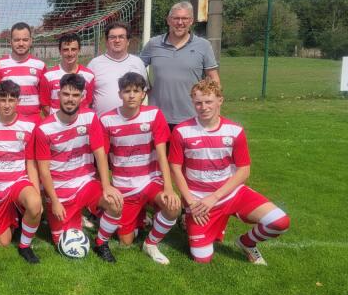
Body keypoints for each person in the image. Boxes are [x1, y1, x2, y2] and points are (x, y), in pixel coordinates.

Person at [169, 79, 290, 265]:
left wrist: (215, 197)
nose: (203, 107)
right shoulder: (181, 131)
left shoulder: (234, 130)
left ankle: (246, 242)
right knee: (202, 259)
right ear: (192, 102)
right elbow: (175, 169)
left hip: (231, 194)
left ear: (220, 100)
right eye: (198, 102)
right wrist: (191, 203)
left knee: (280, 222)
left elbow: (244, 170)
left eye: (208, 101)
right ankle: (191, 221)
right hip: (199, 200)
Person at [35, 73, 123, 263]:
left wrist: (106, 186)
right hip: (60, 190)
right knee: (63, 243)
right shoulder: (44, 128)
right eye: (66, 94)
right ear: (58, 95)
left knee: (115, 203)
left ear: (82, 97)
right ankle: (74, 218)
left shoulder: (90, 118)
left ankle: (101, 243)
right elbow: (44, 171)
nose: (70, 99)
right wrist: (55, 201)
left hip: (85, 182)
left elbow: (100, 153)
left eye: (75, 95)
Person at [98, 73, 181, 264]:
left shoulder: (154, 114)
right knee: (125, 242)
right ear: (120, 94)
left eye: (136, 91)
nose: (131, 95)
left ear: (143, 94)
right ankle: (140, 219)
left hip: (150, 180)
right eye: (127, 91)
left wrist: (169, 188)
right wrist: (107, 186)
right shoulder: (107, 120)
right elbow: (102, 156)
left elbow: (162, 154)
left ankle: (150, 243)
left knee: (173, 207)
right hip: (124, 185)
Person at [0, 80, 43, 263]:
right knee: (4, 243)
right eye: (3, 99)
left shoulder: (28, 126)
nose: (7, 105)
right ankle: (15, 216)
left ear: (18, 102)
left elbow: (31, 163)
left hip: (17, 182)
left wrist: (37, 195)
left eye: (11, 100)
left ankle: (24, 247)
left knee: (34, 203)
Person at [140, 1, 220, 128]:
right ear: (168, 20)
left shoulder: (203, 45)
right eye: (176, 18)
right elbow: (137, 68)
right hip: (159, 117)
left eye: (185, 18)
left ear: (191, 21)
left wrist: (215, 107)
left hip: (193, 117)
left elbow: (213, 78)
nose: (180, 22)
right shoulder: (153, 44)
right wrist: (146, 87)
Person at [87, 22, 148, 116]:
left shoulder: (138, 63)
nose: (117, 40)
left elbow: (143, 91)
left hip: (131, 122)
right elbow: (86, 96)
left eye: (121, 37)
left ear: (128, 41)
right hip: (102, 122)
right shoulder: (94, 64)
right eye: (112, 37)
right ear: (107, 41)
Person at [0, 22, 46, 122]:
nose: (21, 44)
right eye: (17, 40)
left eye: (25, 40)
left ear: (31, 41)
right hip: (9, 122)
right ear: (10, 41)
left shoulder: (40, 65)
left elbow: (45, 98)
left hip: (33, 121)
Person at [39, 32, 95, 116]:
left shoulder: (89, 76)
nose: (70, 54)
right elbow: (45, 105)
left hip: (80, 123)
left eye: (73, 49)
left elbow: (88, 103)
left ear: (79, 50)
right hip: (57, 123)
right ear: (60, 51)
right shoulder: (48, 76)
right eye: (65, 50)